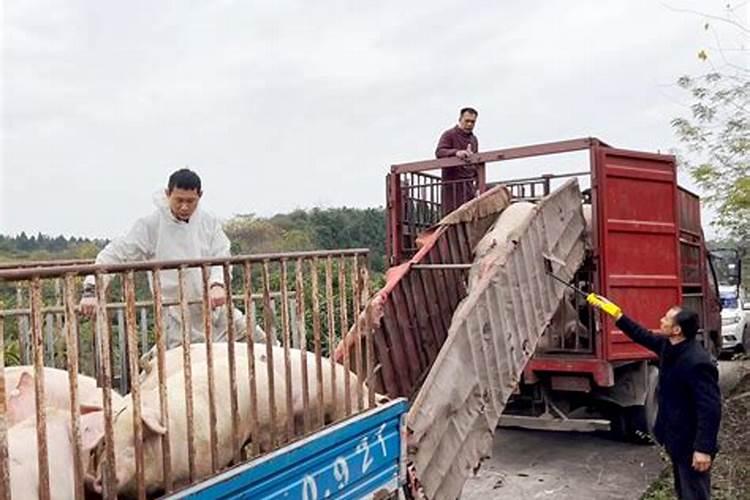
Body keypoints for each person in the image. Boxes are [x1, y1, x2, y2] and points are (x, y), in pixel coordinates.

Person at [79, 168, 270, 350]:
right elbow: (115, 254)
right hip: (176, 315)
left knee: (264, 343)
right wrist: (92, 290)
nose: (185, 207)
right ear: (168, 193)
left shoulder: (209, 223)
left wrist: (217, 284)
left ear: (200, 196)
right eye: (179, 200)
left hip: (216, 310)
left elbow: (221, 255)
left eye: (191, 201)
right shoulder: (151, 225)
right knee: (186, 369)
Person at [587, 295, 721, 500]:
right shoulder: (670, 347)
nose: (661, 320)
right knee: (684, 492)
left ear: (677, 330)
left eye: (666, 319)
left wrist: (703, 448)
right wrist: (617, 314)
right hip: (675, 440)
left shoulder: (698, 362)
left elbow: (710, 410)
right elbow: (642, 335)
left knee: (695, 494)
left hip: (691, 444)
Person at [435, 107, 480, 214]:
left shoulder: (473, 139)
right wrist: (456, 153)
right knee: (453, 216)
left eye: (472, 122)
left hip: (469, 185)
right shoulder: (449, 134)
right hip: (452, 186)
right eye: (467, 121)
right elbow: (439, 152)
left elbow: (477, 164)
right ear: (460, 119)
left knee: (469, 215)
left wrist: (478, 186)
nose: (469, 124)